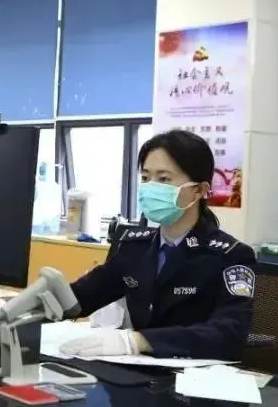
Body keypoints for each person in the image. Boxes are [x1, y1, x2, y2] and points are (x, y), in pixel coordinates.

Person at [60, 130, 256, 361]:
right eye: (145, 178)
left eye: (164, 179)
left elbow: (229, 334)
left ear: (200, 190)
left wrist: (138, 341)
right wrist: (41, 301)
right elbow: (85, 295)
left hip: (195, 375)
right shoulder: (135, 247)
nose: (151, 188)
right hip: (137, 371)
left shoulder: (230, 255)